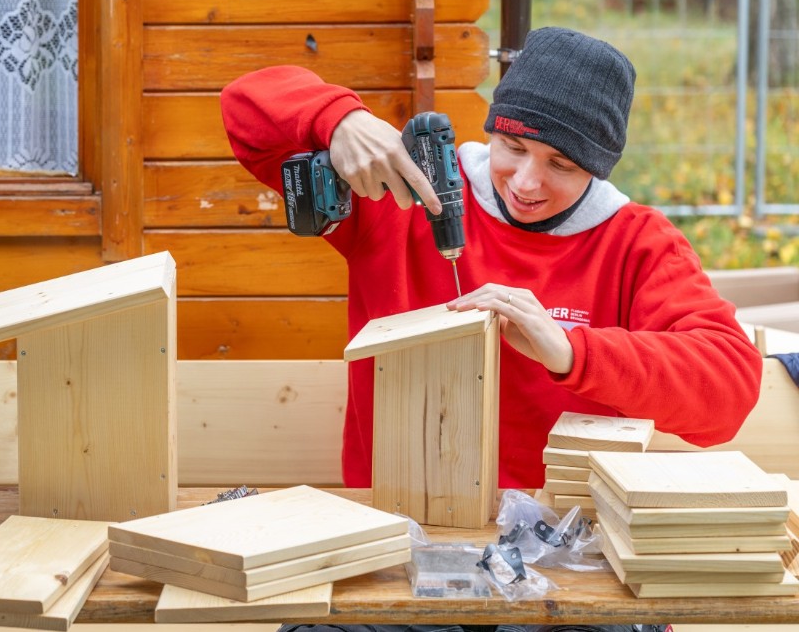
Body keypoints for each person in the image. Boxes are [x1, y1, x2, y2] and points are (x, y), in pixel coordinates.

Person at [221, 26, 762, 493]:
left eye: (561, 165)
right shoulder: (408, 192)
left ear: (597, 170)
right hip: (397, 518)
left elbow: (730, 390)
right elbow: (243, 106)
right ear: (492, 130)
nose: (526, 183)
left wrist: (573, 352)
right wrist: (338, 121)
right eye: (514, 148)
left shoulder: (636, 243)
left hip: (561, 533)